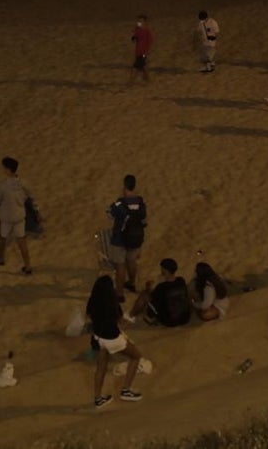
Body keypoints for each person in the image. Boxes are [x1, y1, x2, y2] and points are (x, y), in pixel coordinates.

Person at [86, 275, 144, 408]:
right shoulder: (112, 302)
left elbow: (89, 315)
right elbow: (120, 321)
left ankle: (98, 398)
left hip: (98, 337)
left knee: (101, 368)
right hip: (112, 338)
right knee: (136, 356)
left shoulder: (93, 300)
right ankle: (126, 390)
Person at [0, 157, 33, 274]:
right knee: (22, 241)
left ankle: (1, 259)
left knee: (2, 237)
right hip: (19, 216)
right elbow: (30, 195)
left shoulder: (3, 185)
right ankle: (28, 266)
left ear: (8, 169)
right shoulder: (23, 183)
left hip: (7, 216)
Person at [107, 175, 147, 300]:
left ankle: (119, 294)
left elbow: (110, 214)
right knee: (131, 261)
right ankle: (131, 283)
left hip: (119, 239)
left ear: (124, 186)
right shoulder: (140, 202)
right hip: (136, 238)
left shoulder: (119, 203)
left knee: (120, 266)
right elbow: (144, 222)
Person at [128, 258, 192, 327]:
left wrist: (148, 288)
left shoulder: (161, 287)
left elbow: (153, 300)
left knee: (144, 295)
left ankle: (131, 315)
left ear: (165, 271)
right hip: (185, 318)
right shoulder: (181, 280)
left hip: (169, 321)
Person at [129, 14, 153, 85]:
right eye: (138, 21)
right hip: (138, 52)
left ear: (145, 22)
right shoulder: (138, 31)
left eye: (141, 21)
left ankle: (131, 81)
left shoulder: (147, 31)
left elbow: (150, 42)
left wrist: (147, 52)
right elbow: (133, 40)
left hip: (143, 53)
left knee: (135, 67)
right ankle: (147, 80)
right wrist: (134, 34)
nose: (139, 23)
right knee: (143, 67)